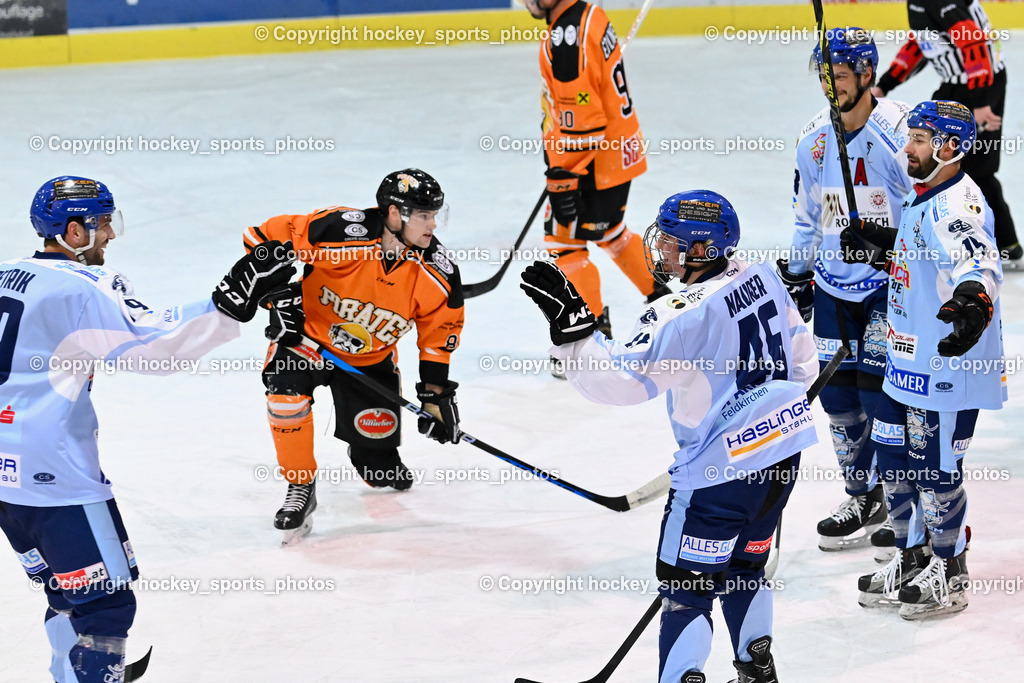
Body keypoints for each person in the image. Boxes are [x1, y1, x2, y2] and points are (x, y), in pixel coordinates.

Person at [0, 176, 293, 683]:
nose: (111, 235)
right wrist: (231, 300)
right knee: (105, 606)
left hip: (6, 478)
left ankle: (70, 675)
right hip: (57, 478)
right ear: (74, 232)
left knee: (68, 591)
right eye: (104, 223)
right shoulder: (81, 287)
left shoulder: (5, 275)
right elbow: (156, 348)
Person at [521, 190, 819, 683]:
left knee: (687, 591)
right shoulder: (762, 276)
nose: (660, 251)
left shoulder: (678, 315)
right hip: (781, 460)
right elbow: (804, 364)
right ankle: (757, 671)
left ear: (701, 251)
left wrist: (575, 335)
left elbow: (618, 381)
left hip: (716, 480)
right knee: (746, 570)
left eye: (672, 244)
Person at [842, 100, 1004, 619]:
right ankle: (913, 558)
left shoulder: (960, 204)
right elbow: (923, 251)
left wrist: (971, 304)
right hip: (905, 358)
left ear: (950, 147)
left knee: (936, 469)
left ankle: (950, 569)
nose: (906, 148)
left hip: (946, 366)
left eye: (918, 139)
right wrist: (882, 243)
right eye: (910, 136)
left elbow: (974, 262)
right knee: (894, 458)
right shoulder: (925, 193)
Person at [247, 168, 464, 542]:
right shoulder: (337, 232)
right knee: (285, 401)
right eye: (423, 215)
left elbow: (438, 334)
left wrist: (435, 395)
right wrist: (275, 297)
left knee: (378, 471)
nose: (432, 225)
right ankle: (301, 487)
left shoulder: (437, 271)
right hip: (306, 342)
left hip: (369, 358)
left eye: (434, 215)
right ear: (394, 214)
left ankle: (373, 457)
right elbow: (261, 238)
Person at [779, 27, 914, 554]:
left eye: (840, 76)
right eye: (825, 76)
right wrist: (797, 274)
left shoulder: (897, 134)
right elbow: (807, 217)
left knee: (883, 398)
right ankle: (862, 494)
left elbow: (929, 214)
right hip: (834, 286)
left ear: (866, 76)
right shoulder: (814, 139)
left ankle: (902, 503)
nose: (831, 86)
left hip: (888, 288)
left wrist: (888, 244)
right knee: (837, 399)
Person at [523, 0, 668, 378]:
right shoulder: (589, 13)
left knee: (564, 244)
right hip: (615, 158)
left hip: (590, 164)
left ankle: (586, 342)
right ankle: (669, 303)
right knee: (613, 236)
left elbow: (584, 119)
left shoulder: (566, 38)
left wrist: (563, 176)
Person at [871, 0, 1021, 265]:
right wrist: (884, 86)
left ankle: (1006, 246)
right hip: (958, 85)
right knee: (937, 155)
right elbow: (921, 44)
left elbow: (974, 44)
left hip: (980, 85)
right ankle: (936, 233)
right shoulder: (919, 3)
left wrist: (981, 102)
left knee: (975, 168)